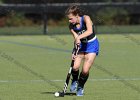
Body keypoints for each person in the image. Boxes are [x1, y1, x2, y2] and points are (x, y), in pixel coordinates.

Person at [65, 5, 99, 96]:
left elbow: (90, 31)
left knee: (85, 70)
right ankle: (75, 80)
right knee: (75, 67)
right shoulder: (71, 26)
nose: (69, 21)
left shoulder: (86, 18)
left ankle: (80, 86)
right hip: (81, 46)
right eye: (68, 19)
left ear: (77, 15)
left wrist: (79, 37)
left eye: (71, 18)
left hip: (92, 45)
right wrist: (74, 50)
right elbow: (76, 39)